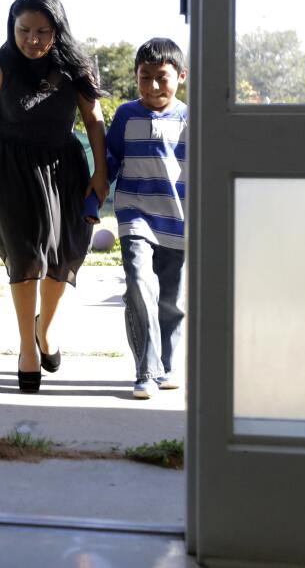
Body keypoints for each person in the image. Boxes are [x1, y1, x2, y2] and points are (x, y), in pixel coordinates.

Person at [0, 0, 109, 393]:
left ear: (57, 30)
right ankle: (26, 350)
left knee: (64, 255)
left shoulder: (75, 67)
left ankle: (44, 332)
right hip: (10, 170)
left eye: (42, 31)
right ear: (12, 27)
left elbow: (94, 121)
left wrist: (100, 173)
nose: (32, 39)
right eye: (24, 29)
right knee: (26, 257)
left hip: (64, 169)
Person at [104, 38, 189, 399]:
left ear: (180, 76)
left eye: (162, 78)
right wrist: (90, 202)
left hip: (178, 220)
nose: (153, 86)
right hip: (134, 215)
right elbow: (110, 159)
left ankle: (166, 366)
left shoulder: (189, 118)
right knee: (139, 285)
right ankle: (146, 370)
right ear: (136, 76)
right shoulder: (125, 115)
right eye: (145, 77)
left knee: (171, 300)